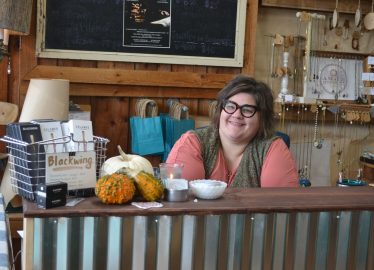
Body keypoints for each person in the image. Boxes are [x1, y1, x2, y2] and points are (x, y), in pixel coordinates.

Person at [166, 75, 299, 187]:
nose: (236, 114)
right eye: (230, 106)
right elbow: (180, 202)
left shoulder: (272, 147)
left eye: (247, 110)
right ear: (221, 110)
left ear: (262, 118)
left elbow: (281, 206)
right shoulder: (193, 142)